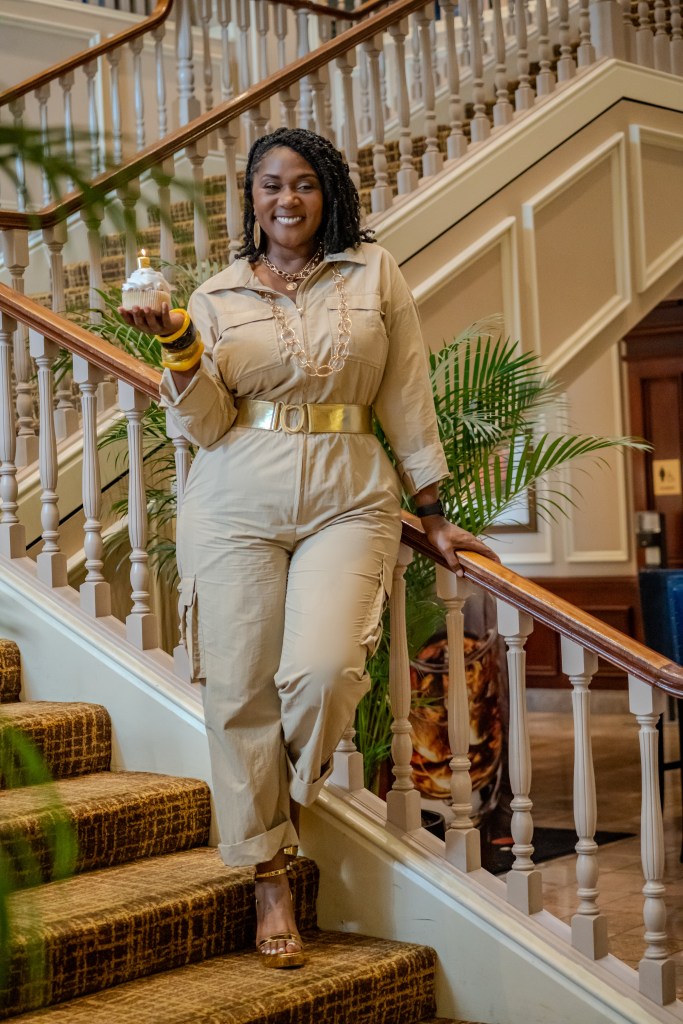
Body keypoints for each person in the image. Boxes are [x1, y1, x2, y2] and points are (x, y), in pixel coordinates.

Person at [119, 127, 499, 970]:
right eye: (268, 187)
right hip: (232, 499)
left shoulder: (375, 273)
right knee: (239, 690)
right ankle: (269, 876)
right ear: (248, 200)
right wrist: (177, 340)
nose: (284, 201)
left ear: (327, 193)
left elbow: (405, 388)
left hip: (349, 492)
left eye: (301, 185)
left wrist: (431, 508)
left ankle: (270, 822)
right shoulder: (213, 295)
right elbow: (204, 422)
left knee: (324, 671)